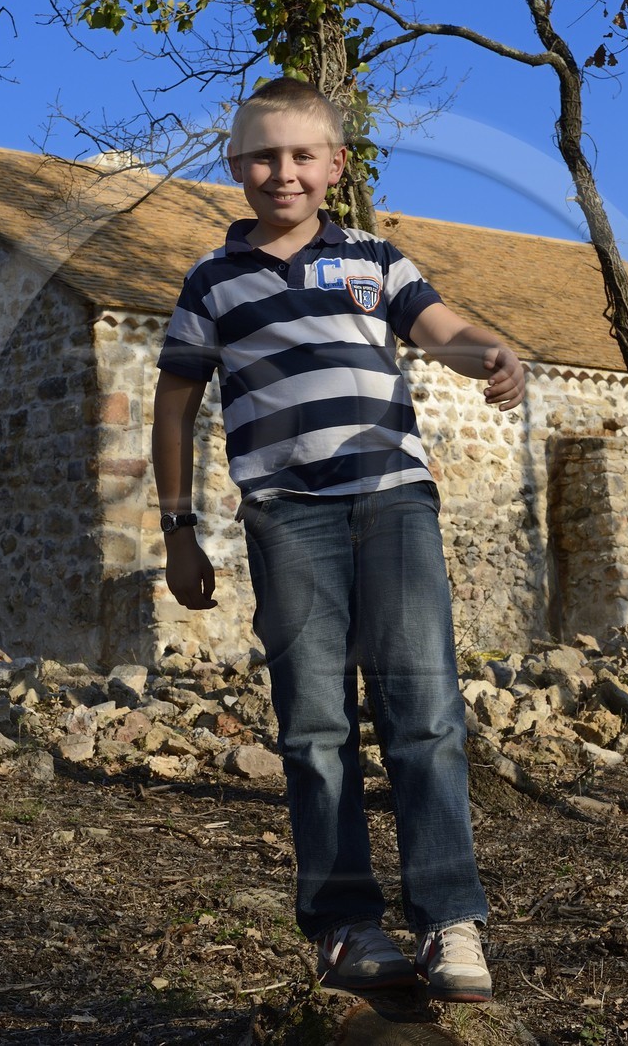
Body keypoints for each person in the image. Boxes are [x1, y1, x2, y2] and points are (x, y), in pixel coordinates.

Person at [151, 77, 525, 1004]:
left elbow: (441, 332)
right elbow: (174, 401)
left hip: (394, 504)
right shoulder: (211, 283)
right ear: (237, 166)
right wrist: (178, 531)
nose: (283, 172)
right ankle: (345, 923)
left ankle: (451, 922)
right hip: (288, 516)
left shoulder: (374, 260)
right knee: (315, 727)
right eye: (264, 156)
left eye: (302, 155)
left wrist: (489, 352)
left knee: (424, 712)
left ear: (335, 166)